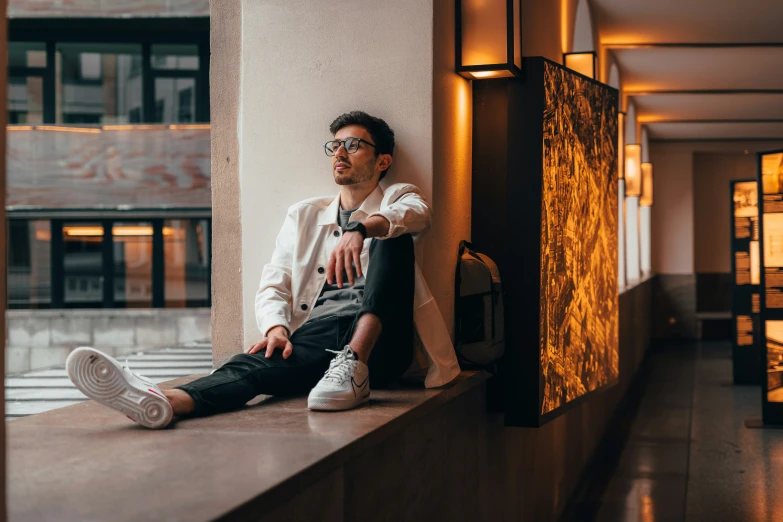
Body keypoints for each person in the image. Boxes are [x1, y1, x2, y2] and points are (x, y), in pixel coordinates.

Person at [66, 111, 460, 429]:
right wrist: (276, 329)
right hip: (319, 336)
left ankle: (354, 364)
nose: (340, 152)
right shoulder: (304, 214)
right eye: (335, 145)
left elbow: (414, 215)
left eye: (353, 145)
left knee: (395, 238)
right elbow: (275, 281)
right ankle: (165, 402)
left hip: (381, 346)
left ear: (382, 160)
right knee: (254, 366)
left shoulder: (397, 196)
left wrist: (359, 228)